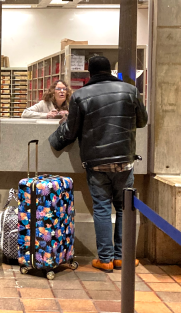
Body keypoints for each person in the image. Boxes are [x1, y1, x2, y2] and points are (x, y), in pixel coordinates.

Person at [48, 55, 147, 273]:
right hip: (124, 160)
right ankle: (122, 258)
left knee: (102, 209)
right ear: (110, 70)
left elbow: (71, 130)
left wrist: (55, 139)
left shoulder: (81, 95)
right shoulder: (130, 91)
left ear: (89, 74)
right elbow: (142, 121)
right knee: (123, 208)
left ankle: (105, 259)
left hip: (97, 163)